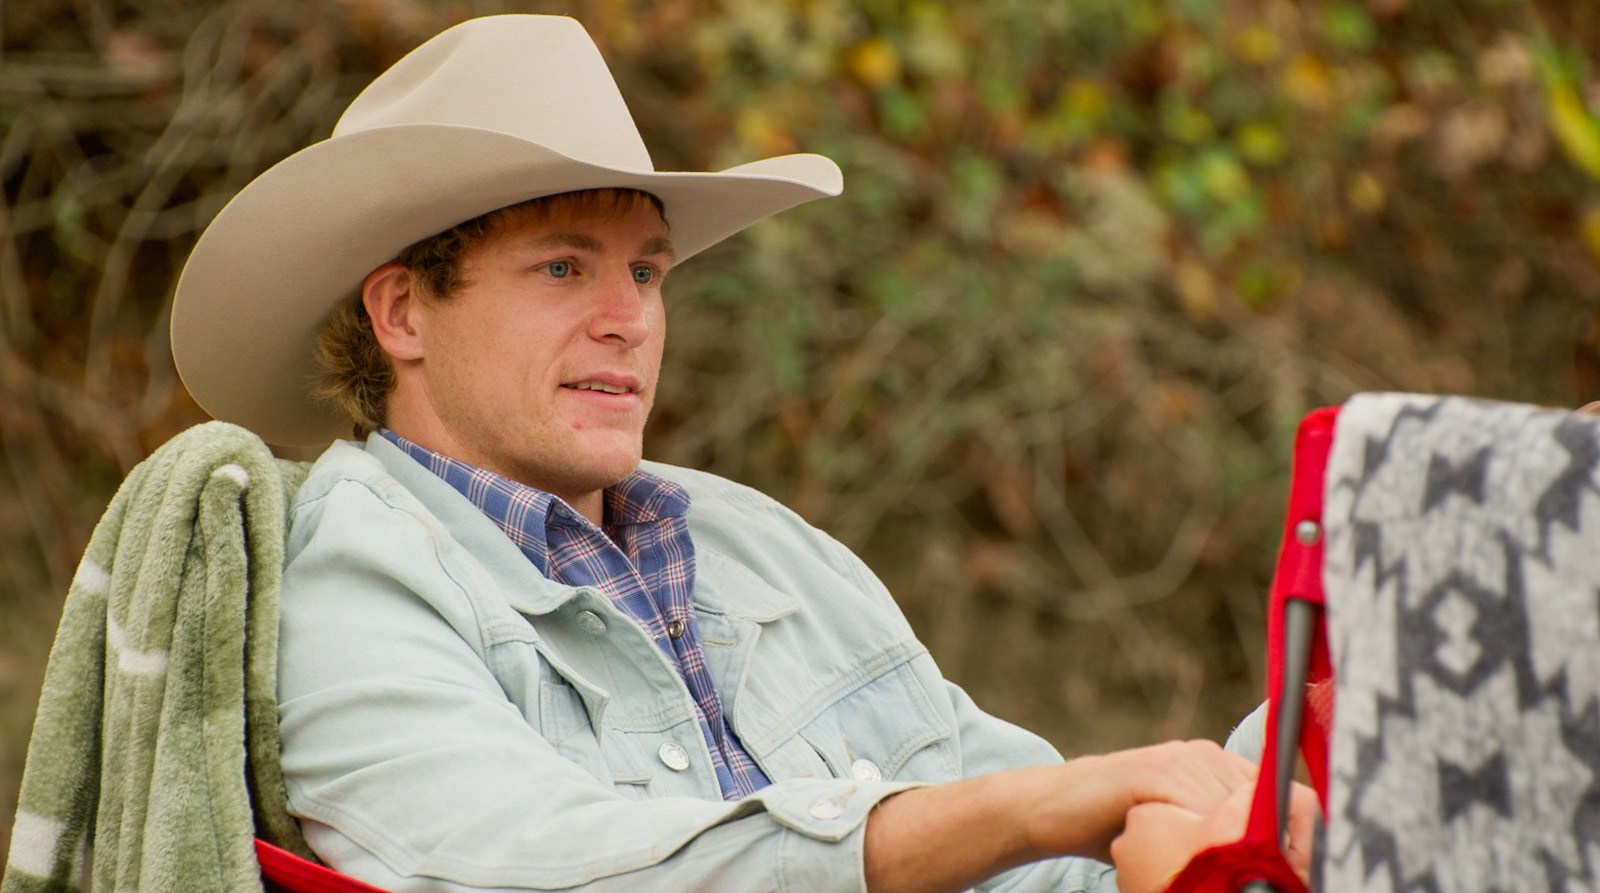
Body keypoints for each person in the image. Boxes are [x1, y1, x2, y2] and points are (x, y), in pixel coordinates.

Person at [169, 14, 1313, 893]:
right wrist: (1037, 810)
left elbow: (1047, 853)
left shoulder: (758, 543)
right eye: (564, 267)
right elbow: (543, 869)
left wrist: (1280, 769)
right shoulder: (340, 574)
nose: (629, 318)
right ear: (403, 313)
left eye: (647, 270)